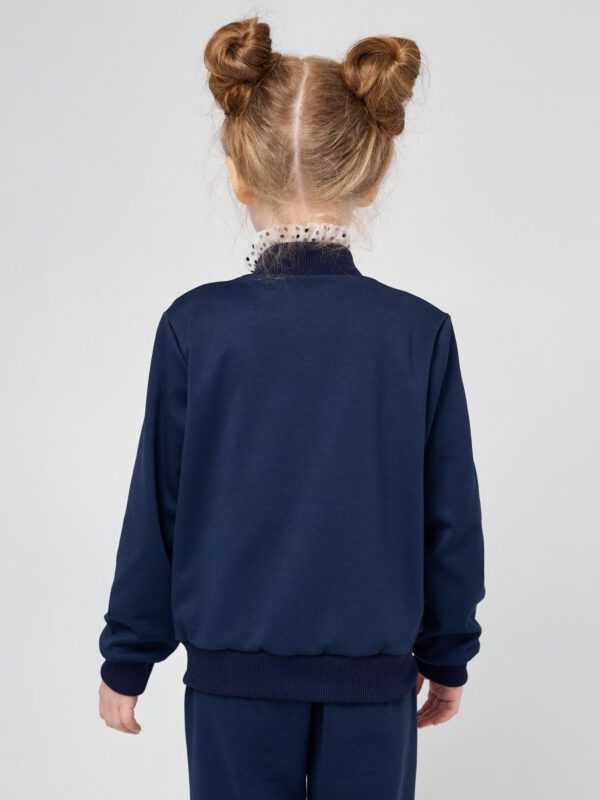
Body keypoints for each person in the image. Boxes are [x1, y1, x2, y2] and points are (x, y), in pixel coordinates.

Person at [98, 17, 485, 800]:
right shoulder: (417, 333)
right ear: (370, 176)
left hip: (231, 685)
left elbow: (158, 509)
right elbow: (450, 518)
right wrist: (447, 655)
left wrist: (127, 657)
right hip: (375, 683)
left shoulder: (195, 327)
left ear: (239, 175)